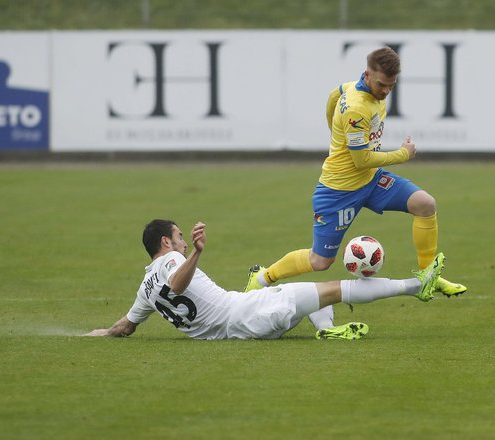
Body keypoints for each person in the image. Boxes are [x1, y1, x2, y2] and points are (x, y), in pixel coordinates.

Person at [245, 47, 466, 335]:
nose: (386, 91)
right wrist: (402, 154)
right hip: (338, 192)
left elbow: (332, 95)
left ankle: (428, 277)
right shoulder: (358, 107)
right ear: (367, 74)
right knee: (320, 261)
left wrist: (333, 131)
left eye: (391, 85)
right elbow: (361, 158)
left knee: (425, 204)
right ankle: (262, 277)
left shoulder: (353, 88)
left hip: (371, 181)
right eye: (381, 84)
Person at [85, 219, 445, 340]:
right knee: (339, 287)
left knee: (313, 293)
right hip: (247, 312)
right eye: (178, 236)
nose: (181, 241)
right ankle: (418, 286)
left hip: (240, 330)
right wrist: (195, 251)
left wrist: (93, 334)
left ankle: (327, 330)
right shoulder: (176, 259)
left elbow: (124, 327)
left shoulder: (144, 290)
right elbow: (176, 285)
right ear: (166, 243)